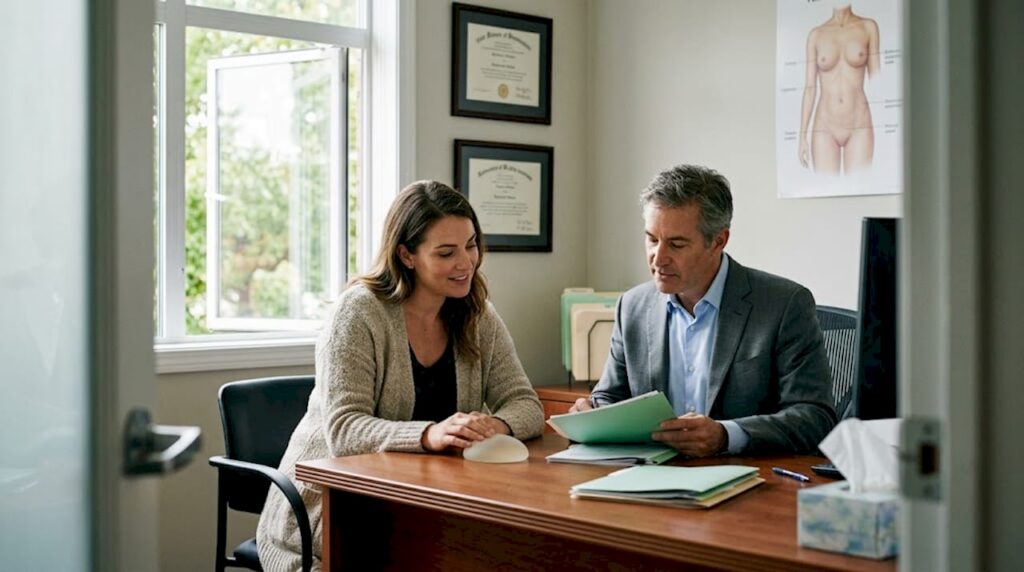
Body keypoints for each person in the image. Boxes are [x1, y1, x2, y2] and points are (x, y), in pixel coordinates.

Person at [257, 181, 545, 571]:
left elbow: (526, 404)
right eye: (446, 253)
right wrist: (429, 434)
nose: (466, 263)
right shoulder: (358, 313)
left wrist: (492, 425)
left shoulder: (476, 313)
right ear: (406, 255)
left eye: (471, 245)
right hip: (330, 511)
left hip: (428, 502)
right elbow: (343, 431)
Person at [571, 165, 836, 456]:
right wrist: (593, 413)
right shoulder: (633, 306)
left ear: (718, 241)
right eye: (652, 239)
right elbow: (610, 395)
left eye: (677, 244)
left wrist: (726, 435)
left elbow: (815, 418)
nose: (658, 259)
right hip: (651, 475)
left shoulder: (784, 304)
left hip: (748, 479)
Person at [798, 3, 880, 175]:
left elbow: (878, 82)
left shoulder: (868, 27)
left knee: (860, 189)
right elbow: (810, 88)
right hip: (825, 125)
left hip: (859, 123)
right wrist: (802, 136)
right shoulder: (816, 35)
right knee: (823, 192)